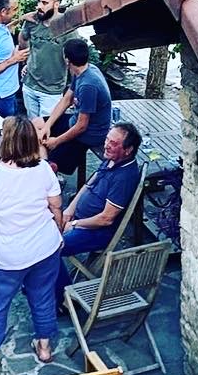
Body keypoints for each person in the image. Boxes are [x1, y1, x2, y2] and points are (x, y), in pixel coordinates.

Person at [0, 116, 64, 375]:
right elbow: (55, 205)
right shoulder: (44, 168)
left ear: (5, 142)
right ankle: (44, 348)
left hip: (6, 256)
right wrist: (59, 230)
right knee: (43, 297)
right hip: (44, 248)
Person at [56, 122, 144, 300]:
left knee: (50, 248)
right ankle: (42, 284)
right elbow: (88, 185)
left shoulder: (124, 177)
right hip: (79, 220)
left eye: (113, 143)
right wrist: (68, 211)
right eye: (107, 140)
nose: (106, 145)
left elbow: (106, 219)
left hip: (96, 232)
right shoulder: (111, 160)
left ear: (128, 150)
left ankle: (62, 298)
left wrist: (74, 224)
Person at [42, 37, 114, 180]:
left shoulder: (88, 85)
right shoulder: (82, 71)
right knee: (37, 123)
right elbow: (67, 99)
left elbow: (81, 126)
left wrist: (56, 141)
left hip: (90, 133)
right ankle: (47, 163)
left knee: (49, 151)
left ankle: (48, 169)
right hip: (76, 121)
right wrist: (48, 125)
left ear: (67, 60)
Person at [18, 0, 70, 119]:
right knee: (32, 129)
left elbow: (73, 61)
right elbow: (23, 39)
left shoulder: (67, 28)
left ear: (56, 4)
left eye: (45, 3)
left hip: (52, 91)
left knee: (47, 131)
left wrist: (73, 91)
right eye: (38, 1)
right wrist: (27, 62)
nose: (39, 6)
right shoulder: (32, 22)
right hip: (29, 86)